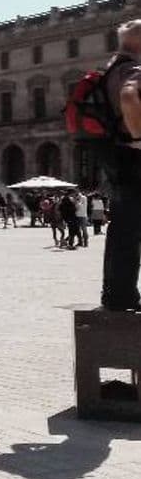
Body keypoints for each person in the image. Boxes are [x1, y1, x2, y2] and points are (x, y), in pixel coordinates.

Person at [100, 20, 141, 309]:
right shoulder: (133, 70)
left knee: (123, 228)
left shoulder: (110, 69)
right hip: (134, 155)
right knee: (129, 228)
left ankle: (117, 294)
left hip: (116, 155)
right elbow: (129, 96)